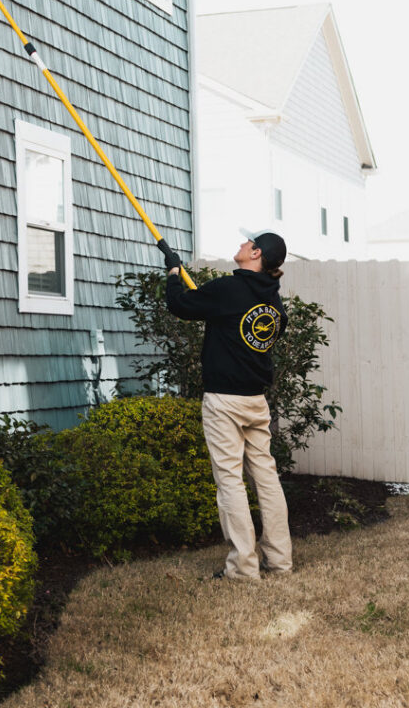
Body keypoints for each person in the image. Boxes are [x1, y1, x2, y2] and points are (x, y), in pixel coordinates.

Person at [159, 232, 293, 580]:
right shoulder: (274, 304)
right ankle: (280, 561)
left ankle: (243, 568)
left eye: (247, 242)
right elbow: (248, 328)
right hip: (255, 401)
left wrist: (174, 274)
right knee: (266, 477)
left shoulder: (229, 290)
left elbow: (181, 306)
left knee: (230, 480)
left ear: (256, 252)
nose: (241, 244)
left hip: (224, 401)